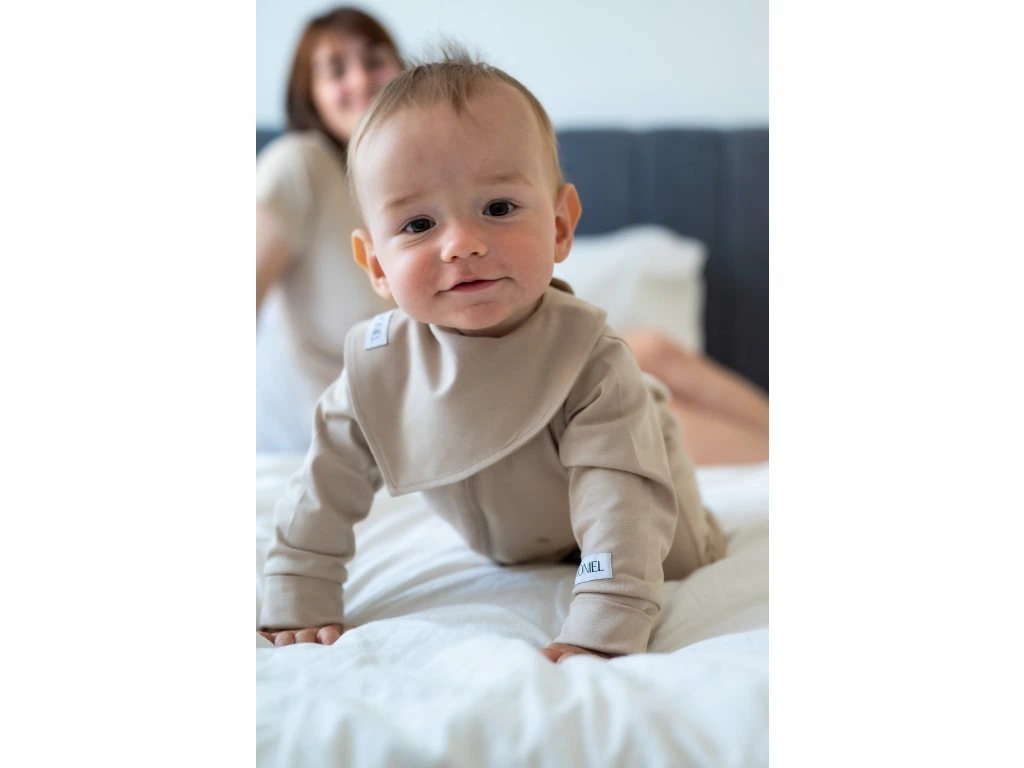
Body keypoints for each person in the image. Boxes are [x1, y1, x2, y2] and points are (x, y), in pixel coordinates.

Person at [258, 50, 727, 662]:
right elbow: (322, 486)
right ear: (375, 264)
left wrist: (607, 618)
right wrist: (297, 593)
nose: (462, 244)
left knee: (680, 555)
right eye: (418, 224)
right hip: (516, 540)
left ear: (560, 227)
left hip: (643, 487)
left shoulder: (588, 360)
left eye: (498, 208)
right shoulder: (380, 368)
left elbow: (623, 505)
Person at [256, 7, 404, 452]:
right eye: (336, 70)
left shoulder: (410, 183)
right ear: (310, 95)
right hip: (345, 447)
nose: (360, 80)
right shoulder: (301, 164)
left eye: (374, 60)